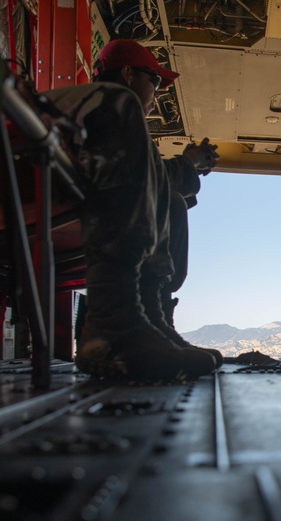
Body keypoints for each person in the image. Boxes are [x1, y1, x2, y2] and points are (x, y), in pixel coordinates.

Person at [44, 39, 223, 380]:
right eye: (154, 81)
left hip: (70, 200)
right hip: (54, 201)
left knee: (170, 199)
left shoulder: (102, 116)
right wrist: (186, 165)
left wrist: (187, 167)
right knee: (126, 111)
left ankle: (151, 320)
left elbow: (145, 175)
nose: (156, 93)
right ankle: (114, 326)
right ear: (127, 73)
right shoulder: (107, 104)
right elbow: (135, 174)